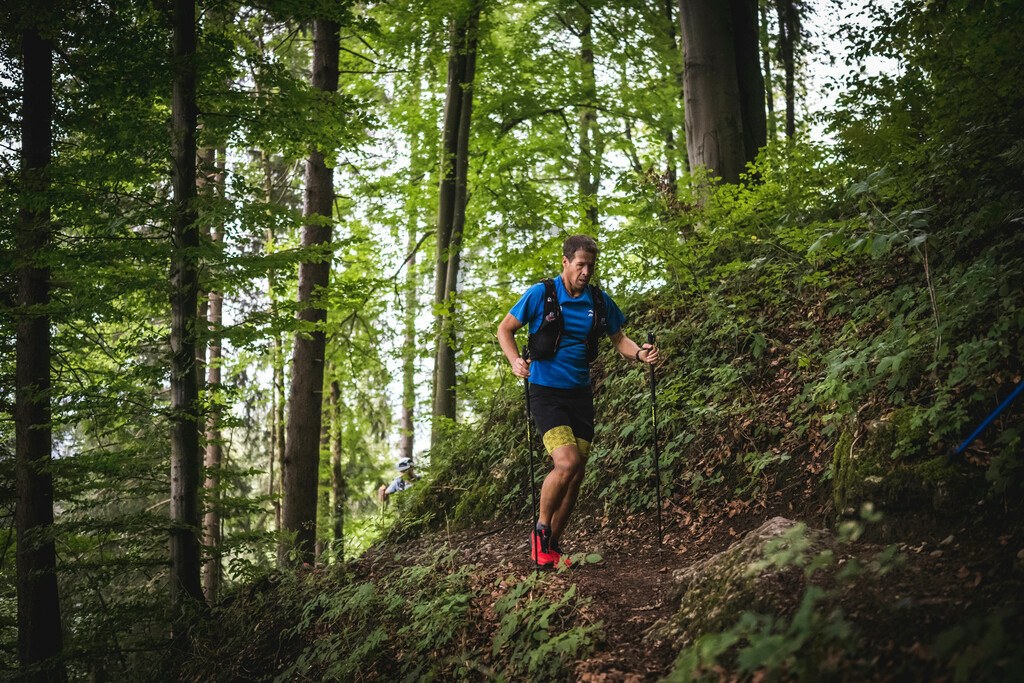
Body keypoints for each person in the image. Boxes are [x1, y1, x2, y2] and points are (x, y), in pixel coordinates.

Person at [497, 234, 660, 569]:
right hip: (546, 392)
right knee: (566, 463)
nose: (586, 271)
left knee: (577, 473)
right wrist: (515, 360)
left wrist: (641, 353)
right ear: (566, 262)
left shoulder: (597, 301)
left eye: (591, 265)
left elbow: (619, 339)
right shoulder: (541, 294)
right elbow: (505, 329)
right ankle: (540, 533)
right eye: (580, 264)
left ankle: (553, 549)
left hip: (580, 394)